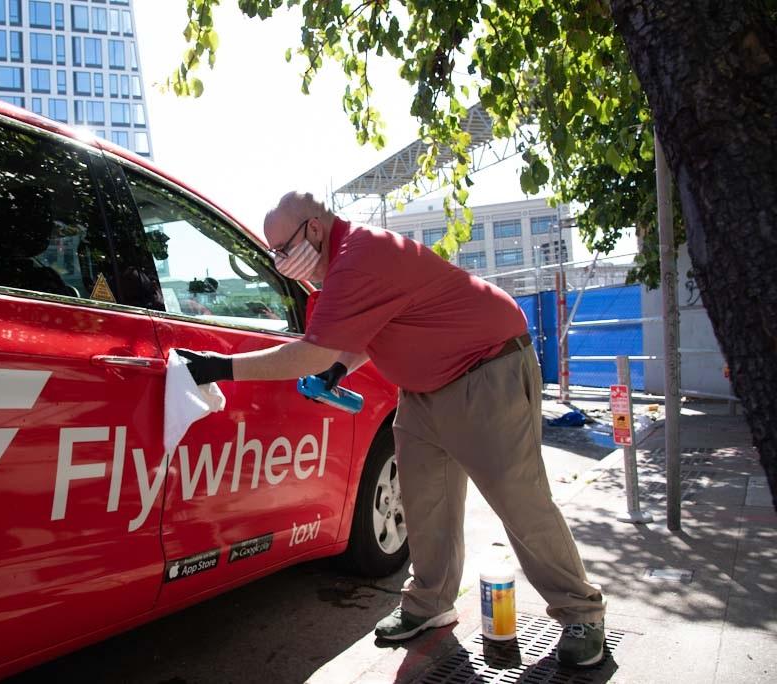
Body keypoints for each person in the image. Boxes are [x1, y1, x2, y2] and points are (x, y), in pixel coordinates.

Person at [177, 191, 607, 668]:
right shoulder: (342, 265)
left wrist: (219, 367)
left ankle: (580, 614)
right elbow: (368, 330)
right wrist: (340, 369)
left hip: (486, 368)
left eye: (282, 248)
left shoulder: (360, 256)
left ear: (314, 229)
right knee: (424, 500)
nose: (279, 262)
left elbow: (313, 351)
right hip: (423, 389)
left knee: (519, 499)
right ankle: (430, 604)